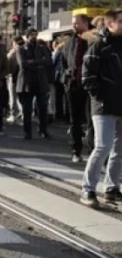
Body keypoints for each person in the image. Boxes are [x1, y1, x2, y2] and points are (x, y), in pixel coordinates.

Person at [80, 9, 122, 208]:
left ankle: (112, 188)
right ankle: (88, 188)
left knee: (119, 150)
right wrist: (101, 95)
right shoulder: (98, 46)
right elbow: (87, 78)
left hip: (120, 104)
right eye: (121, 21)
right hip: (104, 105)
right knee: (103, 146)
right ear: (110, 23)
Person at [60, 14, 91, 163]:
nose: (74, 26)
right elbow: (63, 63)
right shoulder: (69, 43)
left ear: (85, 23)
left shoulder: (92, 40)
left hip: (89, 87)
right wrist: (66, 77)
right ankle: (76, 150)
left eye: (77, 24)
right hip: (72, 86)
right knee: (75, 120)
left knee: (91, 120)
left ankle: (93, 150)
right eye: (73, 24)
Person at [16, 28, 53, 139]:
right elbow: (23, 64)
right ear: (27, 36)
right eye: (31, 35)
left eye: (35, 35)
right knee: (27, 109)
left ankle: (43, 129)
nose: (34, 37)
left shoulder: (42, 48)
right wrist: (38, 63)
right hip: (27, 82)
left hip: (40, 81)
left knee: (43, 107)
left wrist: (33, 62)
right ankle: (27, 132)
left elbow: (48, 61)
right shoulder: (21, 49)